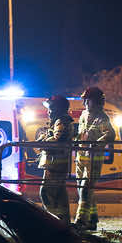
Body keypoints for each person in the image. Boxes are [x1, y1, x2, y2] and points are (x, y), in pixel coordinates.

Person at [73, 86, 115, 231]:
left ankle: (81, 221)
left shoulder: (102, 117)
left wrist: (96, 145)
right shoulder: (84, 115)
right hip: (81, 158)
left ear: (96, 102)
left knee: (85, 189)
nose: (85, 103)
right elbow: (80, 133)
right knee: (83, 190)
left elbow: (110, 134)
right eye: (84, 100)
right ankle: (92, 220)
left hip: (93, 159)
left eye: (87, 100)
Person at [36, 95, 75, 224]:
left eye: (50, 108)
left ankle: (52, 222)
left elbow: (57, 140)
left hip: (55, 165)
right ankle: (62, 223)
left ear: (57, 108)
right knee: (59, 196)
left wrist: (42, 142)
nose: (48, 111)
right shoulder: (59, 121)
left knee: (46, 193)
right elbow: (53, 136)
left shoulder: (62, 122)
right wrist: (44, 137)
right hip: (55, 165)